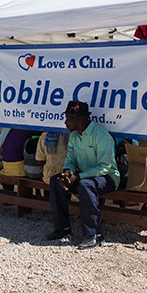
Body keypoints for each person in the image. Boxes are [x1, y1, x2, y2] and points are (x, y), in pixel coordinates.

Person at [47, 101, 120, 249]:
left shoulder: (101, 136)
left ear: (79, 119)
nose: (65, 122)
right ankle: (63, 228)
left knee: (85, 185)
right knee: (56, 181)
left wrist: (79, 177)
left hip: (108, 177)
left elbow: (105, 167)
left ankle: (94, 235)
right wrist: (67, 172)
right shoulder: (74, 136)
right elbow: (71, 159)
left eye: (69, 118)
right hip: (84, 176)